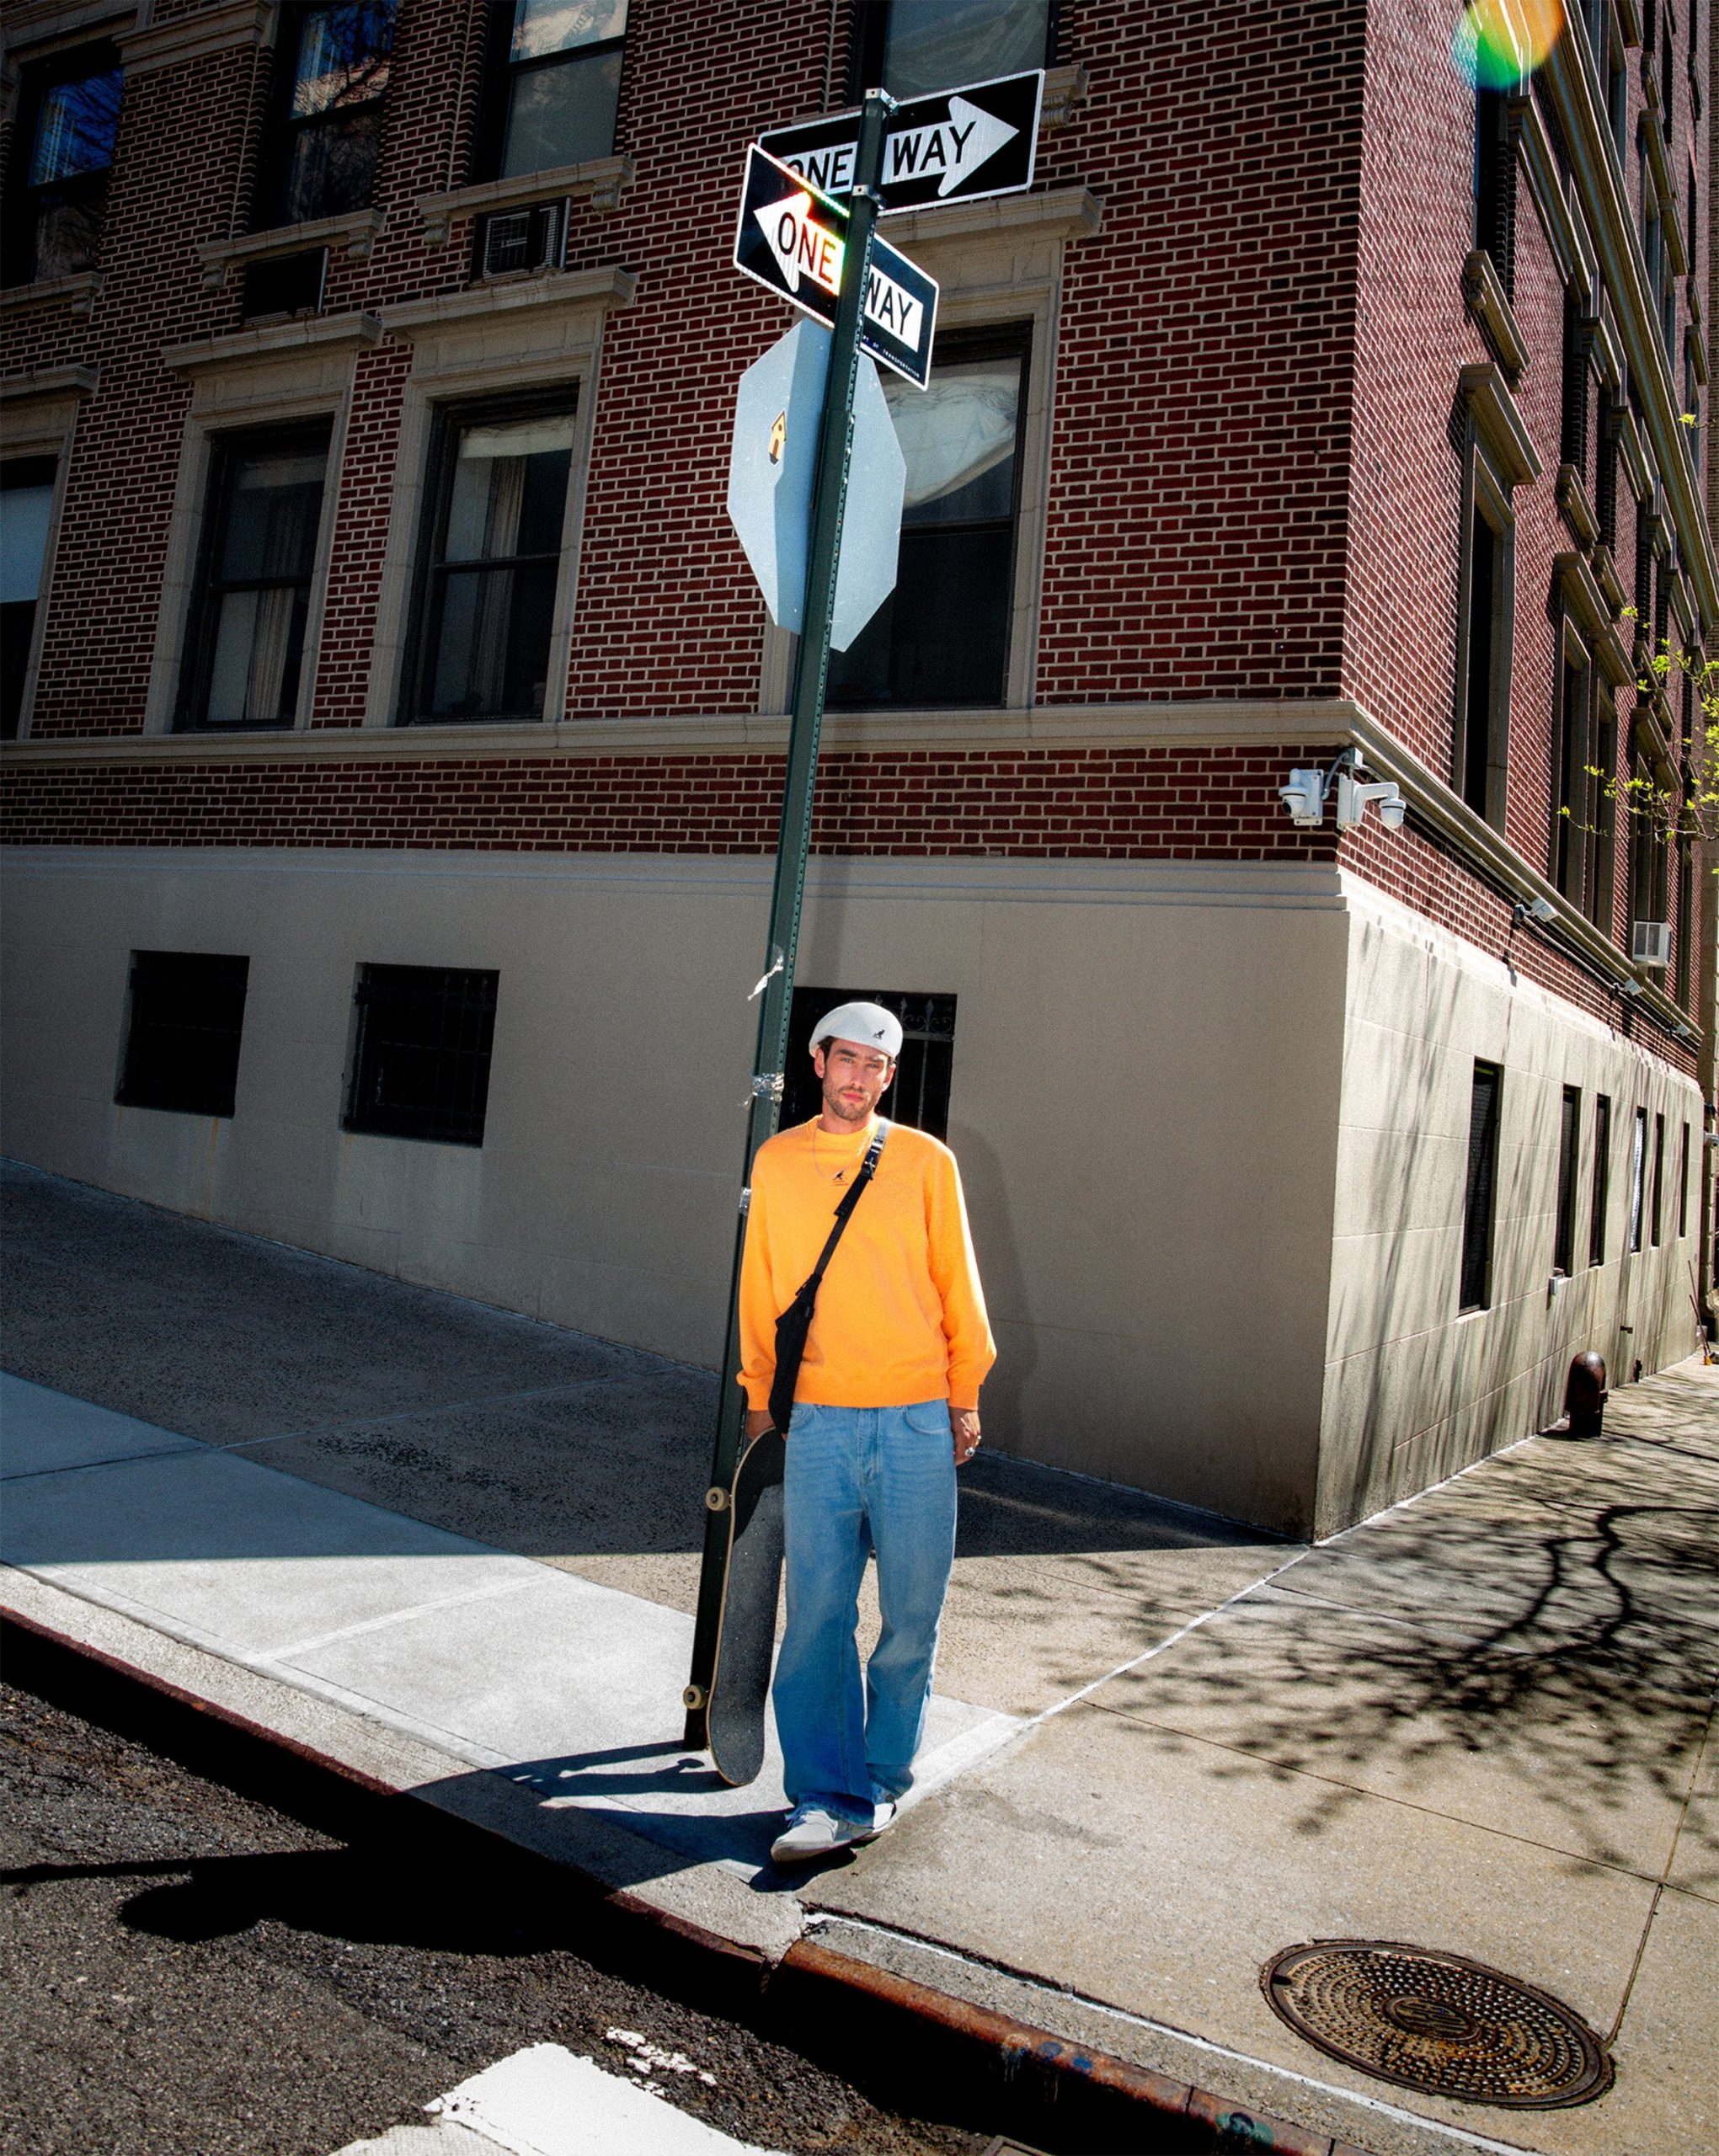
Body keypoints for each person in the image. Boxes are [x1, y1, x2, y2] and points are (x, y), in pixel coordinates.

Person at [738, 1001, 996, 1864]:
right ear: (817, 1062)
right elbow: (763, 1289)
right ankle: (823, 1793)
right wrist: (755, 1397)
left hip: (919, 1418)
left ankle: (881, 1777)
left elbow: (958, 1281)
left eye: (873, 1065)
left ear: (890, 1076)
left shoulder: (926, 1162)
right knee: (815, 1611)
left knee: (912, 1611)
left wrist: (963, 1392)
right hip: (816, 1419)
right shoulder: (777, 1163)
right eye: (843, 1058)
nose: (856, 1076)